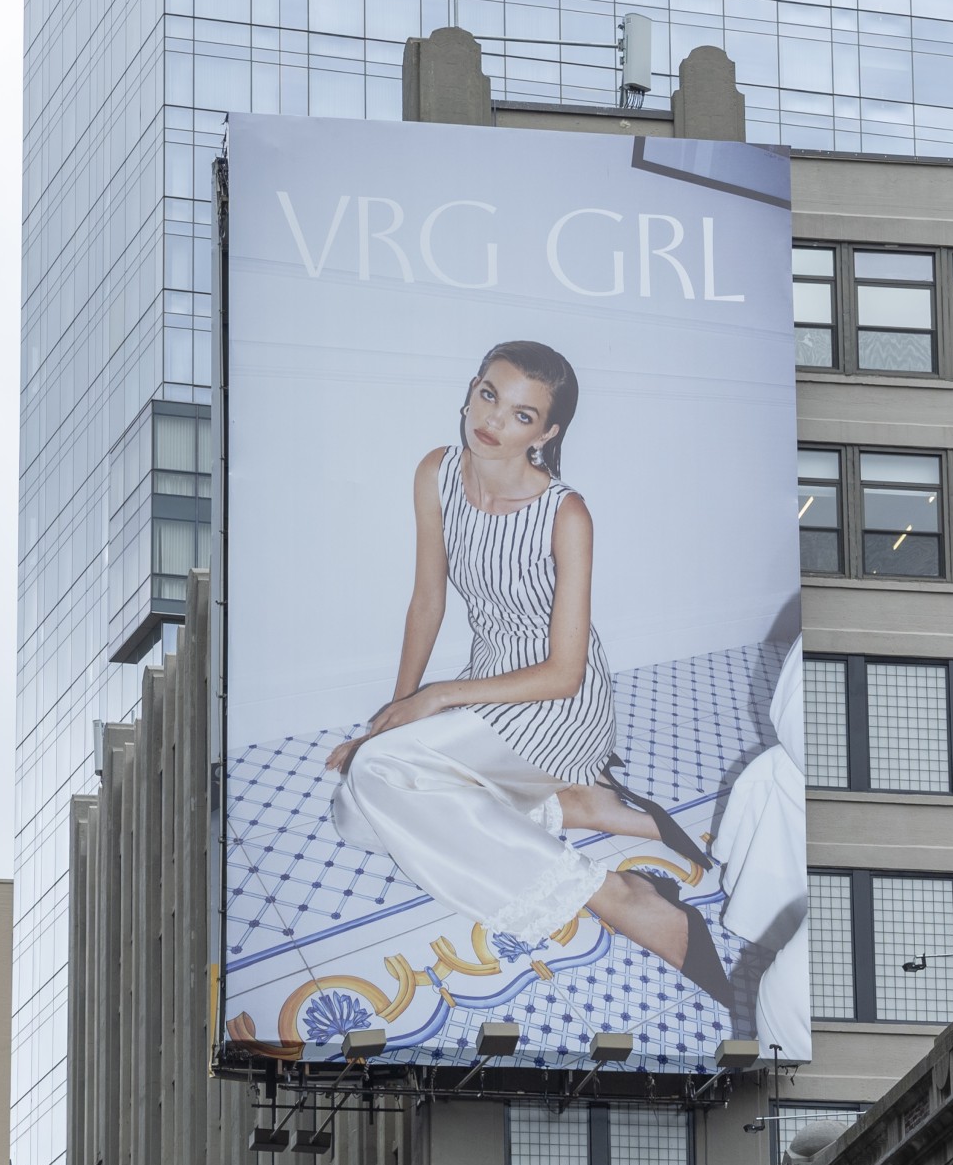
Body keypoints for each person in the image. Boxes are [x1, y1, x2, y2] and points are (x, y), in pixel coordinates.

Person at [326, 339, 764, 1030]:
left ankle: (613, 894)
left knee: (378, 779)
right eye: (490, 395)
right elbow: (427, 603)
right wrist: (395, 713)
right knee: (355, 815)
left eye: (523, 415)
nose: (495, 420)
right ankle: (570, 806)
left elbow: (565, 673)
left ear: (548, 432)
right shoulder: (437, 472)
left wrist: (435, 698)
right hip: (486, 682)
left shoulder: (565, 513)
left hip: (557, 706)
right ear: (471, 389)